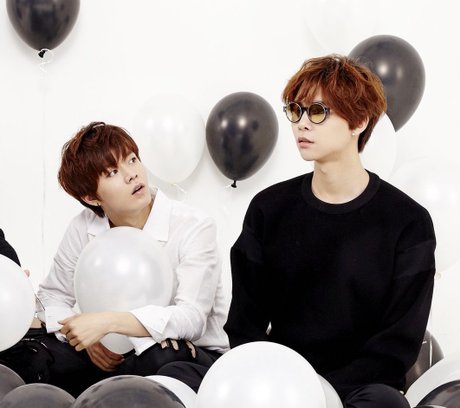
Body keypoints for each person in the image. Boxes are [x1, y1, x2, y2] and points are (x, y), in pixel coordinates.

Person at [223, 55, 436, 408]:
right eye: (296, 110)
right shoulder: (268, 209)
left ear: (359, 121)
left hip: (362, 389)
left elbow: (395, 346)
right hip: (281, 385)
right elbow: (244, 324)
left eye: (318, 112)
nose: (302, 124)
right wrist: (280, 384)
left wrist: (322, 395)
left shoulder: (408, 222)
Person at [2, 122, 229, 396]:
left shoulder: (193, 225)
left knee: (161, 356)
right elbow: (51, 297)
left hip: (185, 353)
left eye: (132, 160)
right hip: (114, 357)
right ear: (91, 197)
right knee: (37, 358)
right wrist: (86, 340)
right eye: (112, 172)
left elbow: (192, 318)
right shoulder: (83, 227)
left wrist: (107, 323)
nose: (132, 174)